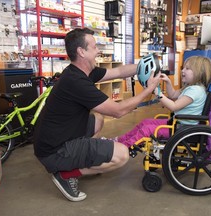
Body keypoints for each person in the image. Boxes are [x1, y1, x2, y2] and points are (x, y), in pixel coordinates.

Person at [33, 27, 161, 202]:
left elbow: (118, 72)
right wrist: (149, 90)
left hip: (55, 138)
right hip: (55, 151)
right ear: (81, 52)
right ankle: (66, 174)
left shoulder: (80, 72)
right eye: (94, 47)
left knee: (98, 119)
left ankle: (84, 159)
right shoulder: (76, 82)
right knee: (121, 155)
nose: (98, 51)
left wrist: (144, 65)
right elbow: (118, 111)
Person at [115, 56, 211, 147]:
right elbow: (173, 95)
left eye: (187, 69)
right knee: (145, 122)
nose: (182, 70)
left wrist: (158, 93)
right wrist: (168, 82)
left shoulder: (195, 91)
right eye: (183, 68)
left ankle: (124, 146)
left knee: (147, 129)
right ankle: (119, 141)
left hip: (182, 129)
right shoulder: (191, 87)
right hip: (178, 124)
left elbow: (174, 106)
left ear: (199, 72)